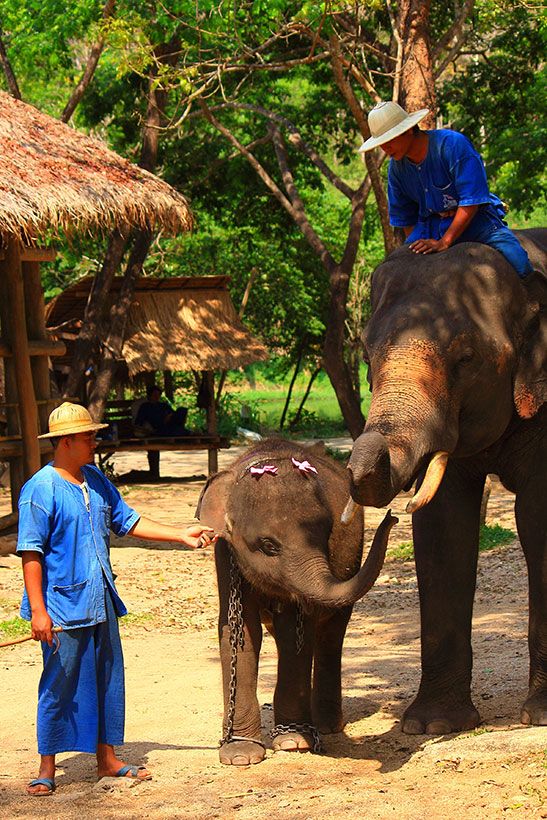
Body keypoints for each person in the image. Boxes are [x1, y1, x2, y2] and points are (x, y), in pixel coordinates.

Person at [16, 402, 216, 797]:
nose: (96, 441)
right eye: (89, 436)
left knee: (108, 677)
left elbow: (129, 520)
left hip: (100, 596)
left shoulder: (95, 479)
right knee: (60, 681)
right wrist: (38, 611)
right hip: (60, 605)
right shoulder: (39, 490)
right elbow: (30, 553)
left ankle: (106, 759)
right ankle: (47, 767)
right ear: (67, 441)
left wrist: (181, 533)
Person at [359, 101, 533, 280]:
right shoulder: (396, 169)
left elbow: (472, 199)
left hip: (475, 220)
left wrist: (445, 242)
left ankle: (537, 302)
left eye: (390, 140)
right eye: (381, 143)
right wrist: (416, 246)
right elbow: (405, 218)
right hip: (430, 225)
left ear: (407, 130)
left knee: (519, 262)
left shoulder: (453, 146)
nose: (385, 149)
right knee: (398, 272)